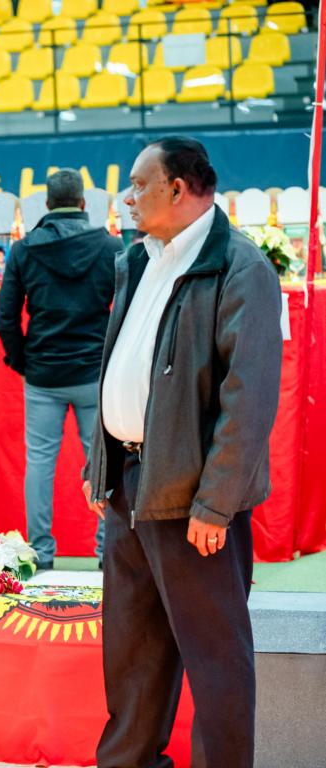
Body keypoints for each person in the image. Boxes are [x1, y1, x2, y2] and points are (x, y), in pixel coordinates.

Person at [84, 137, 282, 768]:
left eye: (139, 184)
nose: (128, 197)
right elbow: (121, 366)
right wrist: (100, 465)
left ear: (177, 188)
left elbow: (248, 399)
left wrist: (216, 503)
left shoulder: (240, 267)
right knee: (132, 652)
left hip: (193, 500)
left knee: (216, 658)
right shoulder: (138, 259)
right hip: (129, 487)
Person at [0, 169, 122, 571]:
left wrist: (23, 361)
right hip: (94, 374)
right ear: (83, 203)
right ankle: (107, 552)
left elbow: (6, 318)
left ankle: (41, 553)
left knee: (39, 463)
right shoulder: (110, 246)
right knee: (104, 461)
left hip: (44, 374)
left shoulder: (24, 249)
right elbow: (126, 310)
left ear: (47, 205)